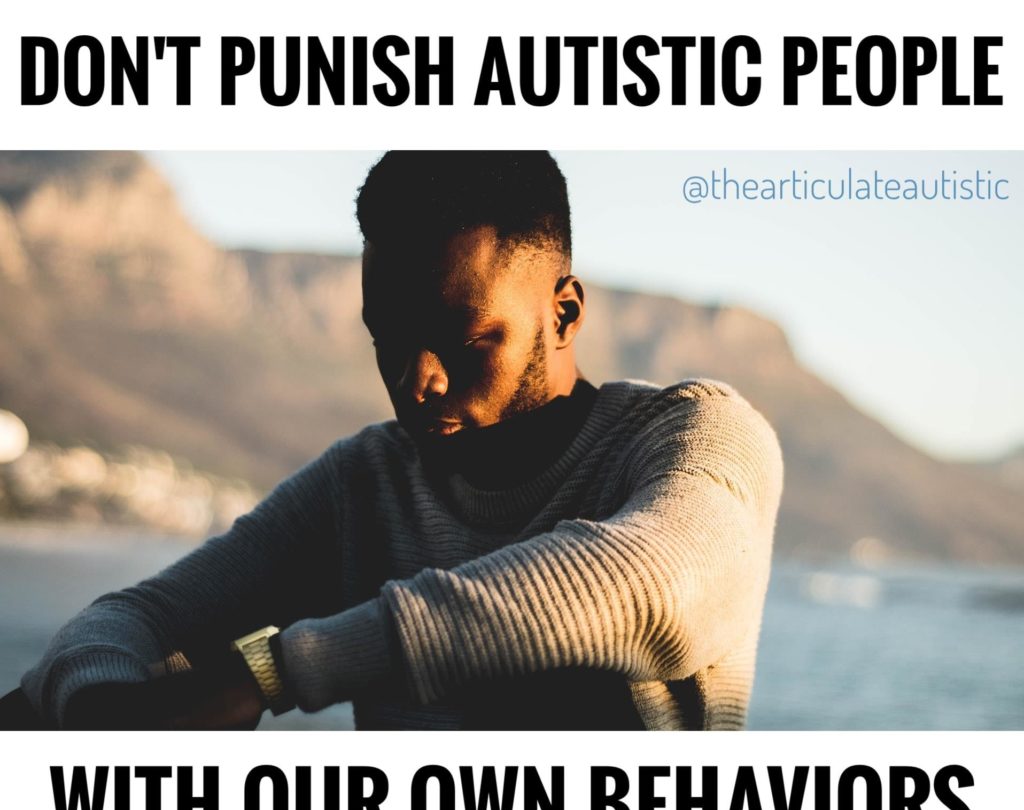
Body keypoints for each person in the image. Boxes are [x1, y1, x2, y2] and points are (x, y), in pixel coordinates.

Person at [10, 150, 783, 731]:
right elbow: (140, 616)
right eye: (390, 339)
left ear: (565, 313)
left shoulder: (697, 437)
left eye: (463, 339)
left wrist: (272, 672)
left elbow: (652, 584)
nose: (419, 380)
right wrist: (95, 706)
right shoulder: (366, 483)